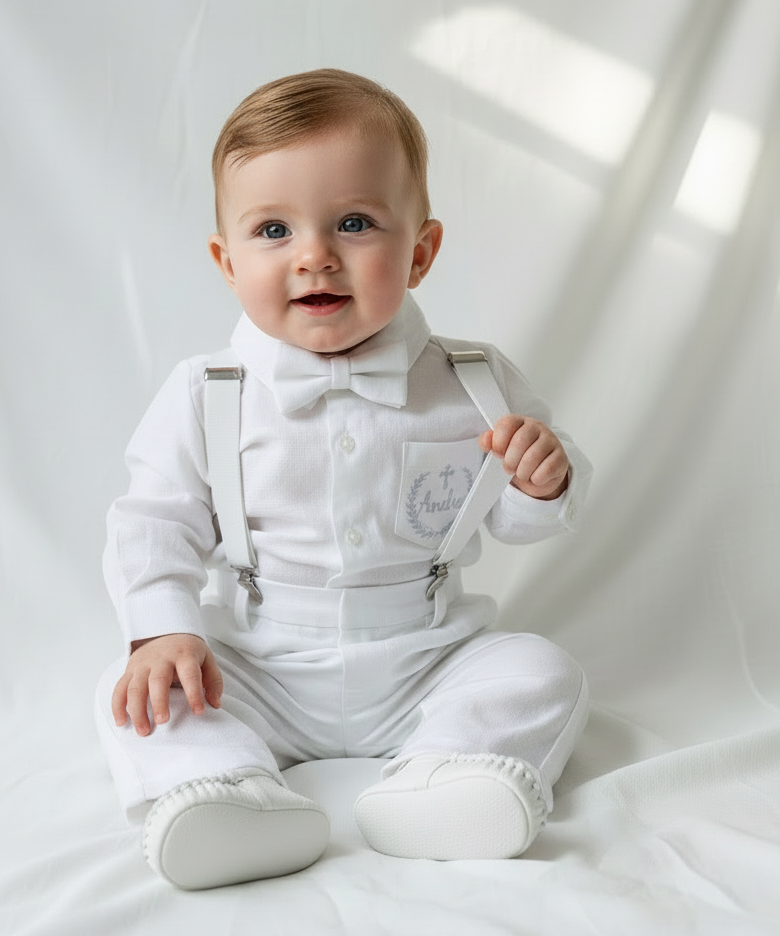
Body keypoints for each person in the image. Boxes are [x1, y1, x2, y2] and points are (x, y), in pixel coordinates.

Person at [95, 68, 592, 890]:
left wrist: (542, 481)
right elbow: (154, 518)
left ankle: (444, 778)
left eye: (354, 223)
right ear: (226, 260)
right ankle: (221, 792)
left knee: (543, 671)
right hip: (258, 660)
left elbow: (515, 516)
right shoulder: (207, 391)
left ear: (420, 251)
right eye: (273, 231)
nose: (315, 256)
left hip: (426, 655)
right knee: (135, 686)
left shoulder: (472, 379)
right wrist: (165, 629)